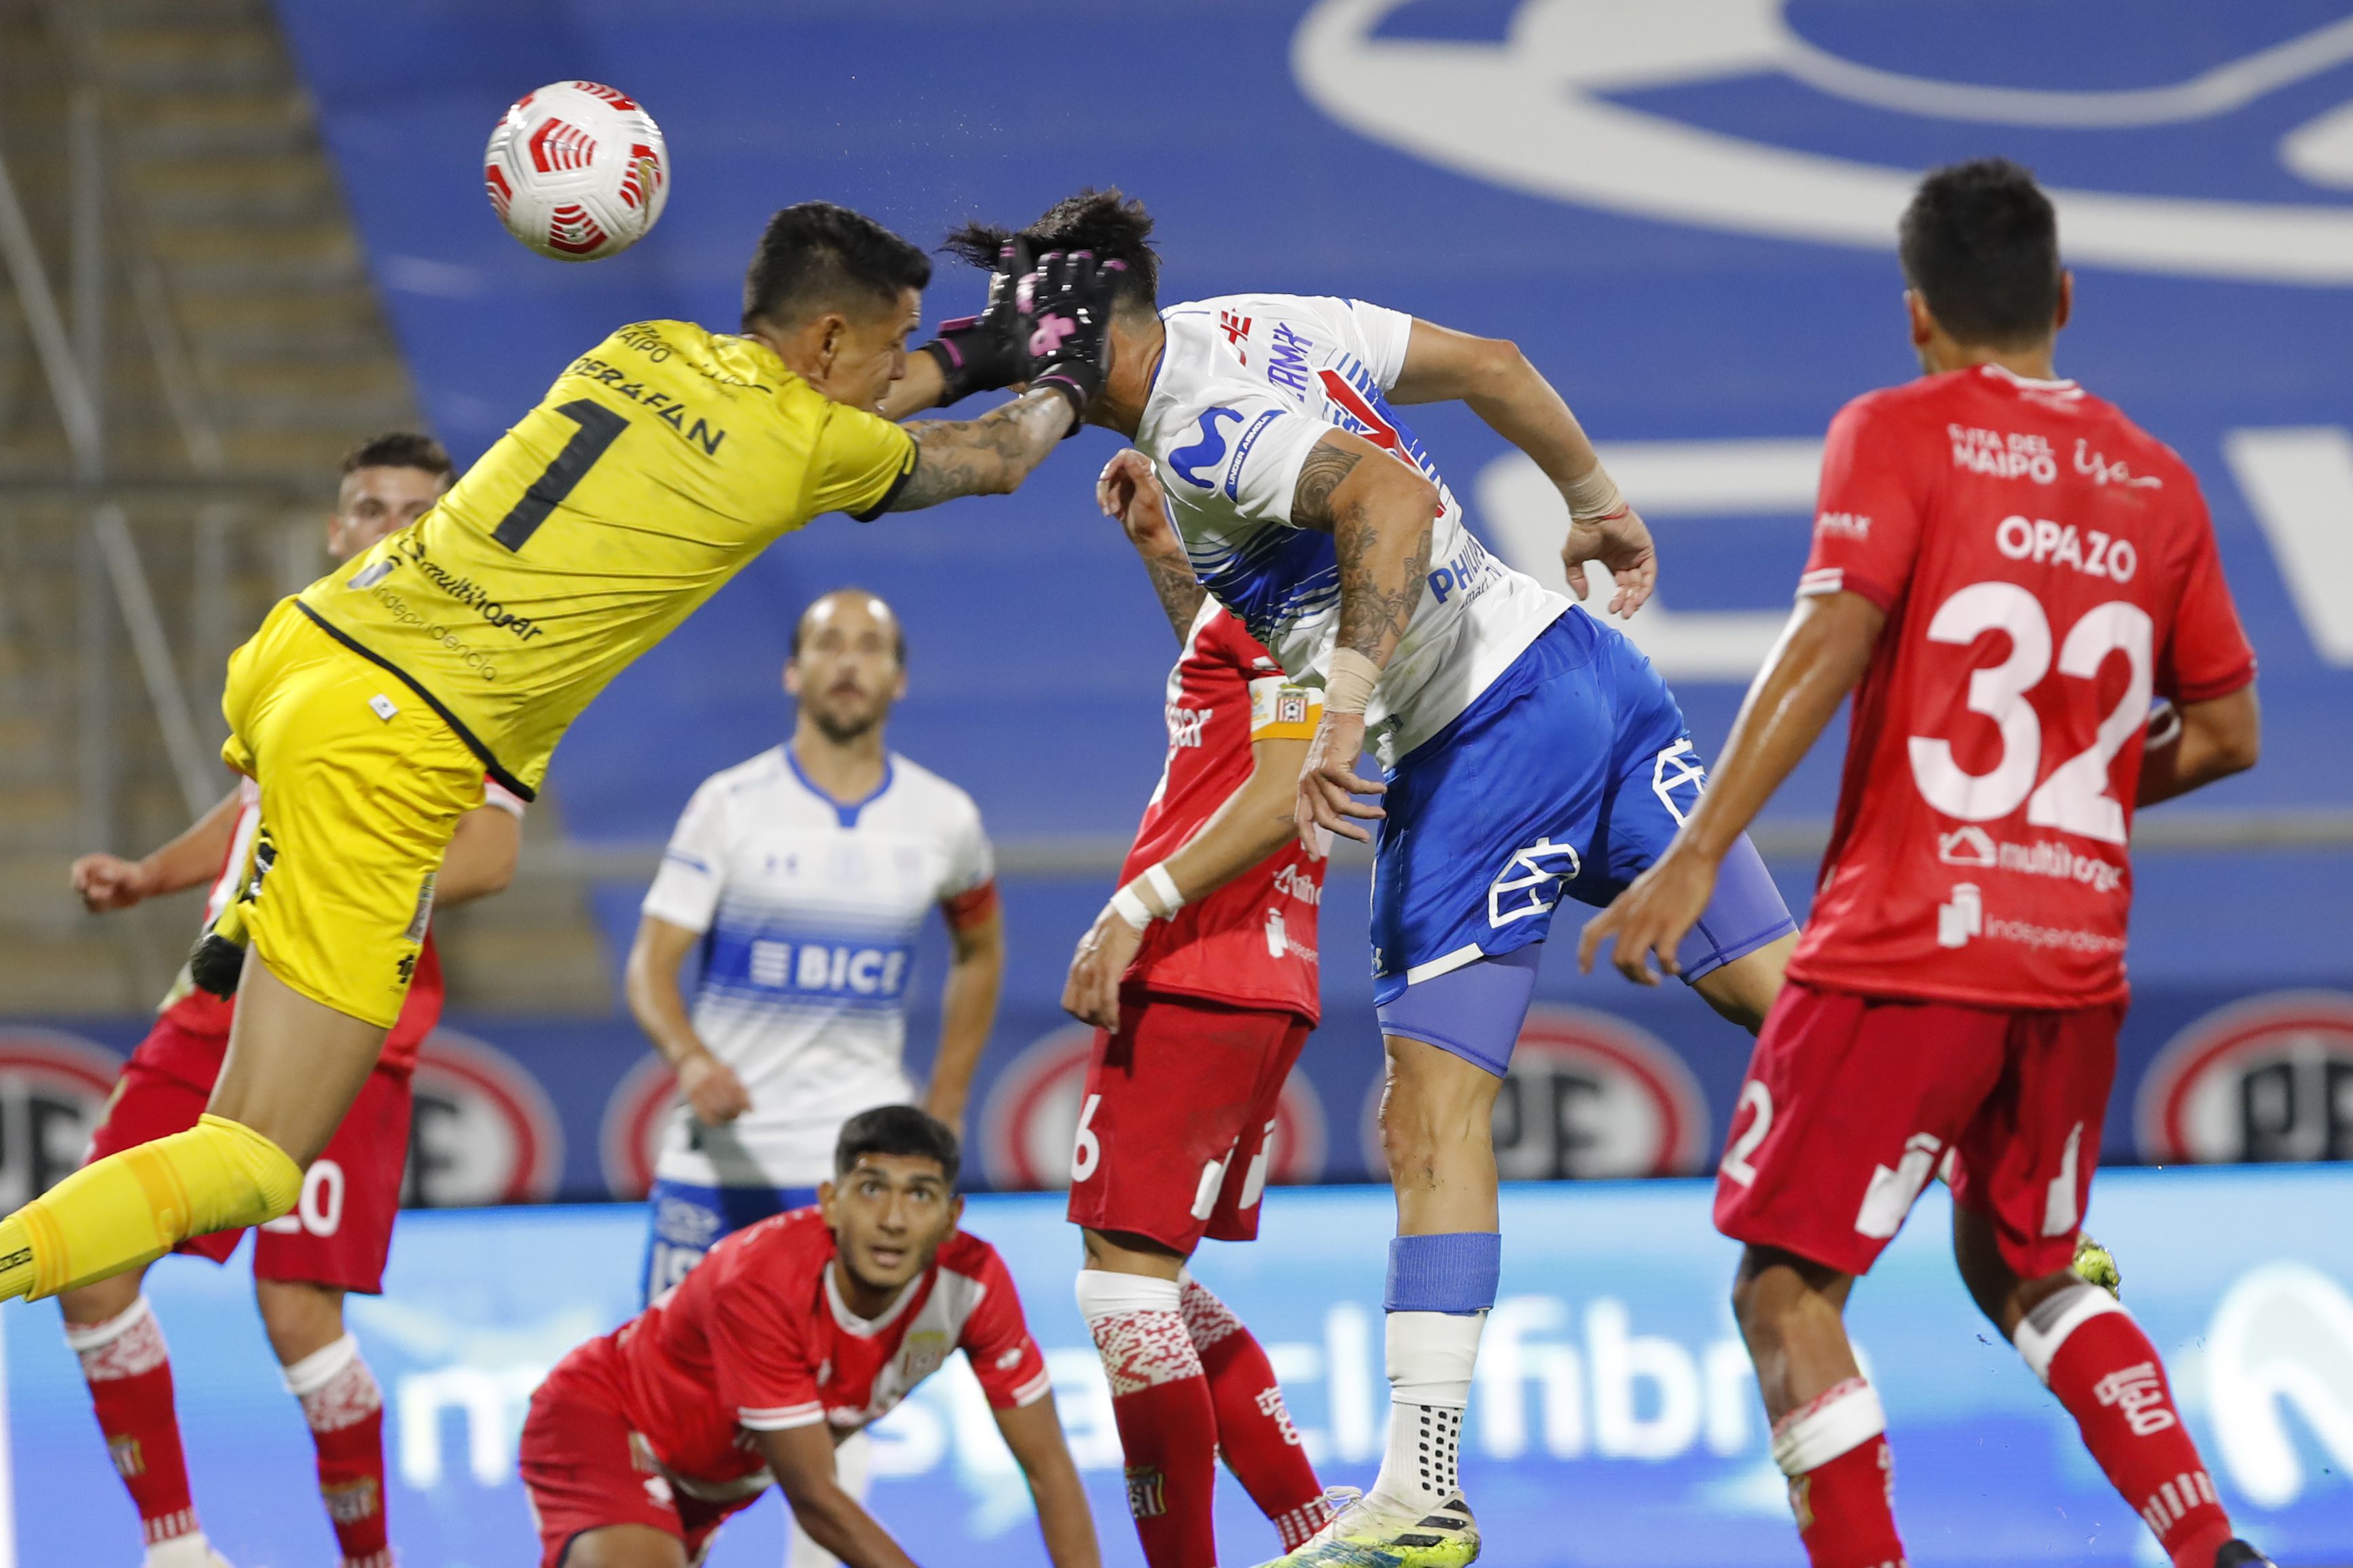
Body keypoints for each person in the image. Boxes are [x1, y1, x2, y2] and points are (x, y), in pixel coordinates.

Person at [0, 202, 1120, 1307]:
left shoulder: (642, 350)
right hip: (394, 738)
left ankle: (235, 937)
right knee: (252, 1160)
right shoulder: (805, 441)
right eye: (881, 349)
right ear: (827, 340)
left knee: (264, 974)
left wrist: (971, 349)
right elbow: (991, 458)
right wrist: (1060, 382)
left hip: (310, 646)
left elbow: (855, 415)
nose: (889, 374)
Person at [934, 188, 1798, 1568]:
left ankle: (1421, 1491)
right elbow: (1497, 366)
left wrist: (1343, 713)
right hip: (1583, 668)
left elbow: (1384, 502)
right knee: (1796, 1002)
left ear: (1083, 340)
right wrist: (1597, 503)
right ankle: (2020, 1176)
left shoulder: (1198, 421)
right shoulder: (1269, 322)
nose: (1026, 382)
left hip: (1473, 742)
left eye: (1031, 354)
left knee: (1426, 1114)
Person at [1579, 159, 2272, 1568]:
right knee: (2019, 1258)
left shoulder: (1896, 432)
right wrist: (2057, 797)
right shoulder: (2159, 481)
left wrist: (1698, 849)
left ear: (1916, 316)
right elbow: (2226, 732)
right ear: (2061, 299)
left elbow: (1832, 635)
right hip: (2071, 957)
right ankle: (2207, 1544)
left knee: (1786, 1290)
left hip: (1907, 942)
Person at [60, 433, 523, 1568]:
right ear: (336, 527)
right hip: (214, 994)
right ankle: (178, 1546)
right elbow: (251, 810)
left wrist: (349, 867)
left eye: (419, 509)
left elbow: (490, 853)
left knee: (300, 1316)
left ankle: (369, 1559)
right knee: (91, 1261)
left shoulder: (488, 664)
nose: (391, 525)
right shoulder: (301, 635)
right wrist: (149, 874)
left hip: (351, 1015)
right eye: (371, 506)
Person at [626, 586, 1003, 1568]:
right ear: (792, 673)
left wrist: (949, 1101)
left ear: (898, 677)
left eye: (869, 646)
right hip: (719, 1164)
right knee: (673, 1421)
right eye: (827, 644)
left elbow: (979, 949)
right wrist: (690, 1057)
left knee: (836, 1419)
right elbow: (650, 964)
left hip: (847, 1177)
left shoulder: (945, 819)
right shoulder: (731, 805)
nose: (847, 661)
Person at [1057, 452, 1333, 1568]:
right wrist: (1166, 556)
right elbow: (1236, 695)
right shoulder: (1308, 604)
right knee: (1154, 1283)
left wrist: (1137, 904)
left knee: (1119, 1290)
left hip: (1196, 970)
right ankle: (1313, 1523)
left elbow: (1274, 789)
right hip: (1263, 980)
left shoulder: (1296, 600)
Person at [519, 1106, 1100, 1568]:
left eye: (919, 1194)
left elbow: (1048, 1465)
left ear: (951, 1217)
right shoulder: (762, 1280)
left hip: (717, 1482)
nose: (893, 1219)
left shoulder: (974, 1283)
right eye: (872, 1188)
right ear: (830, 1200)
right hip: (611, 1422)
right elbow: (817, 1499)